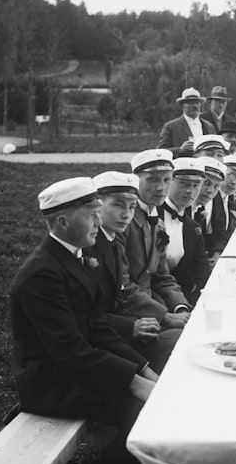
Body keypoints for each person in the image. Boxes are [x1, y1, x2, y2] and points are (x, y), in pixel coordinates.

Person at [10, 177, 156, 464]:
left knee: (153, 406)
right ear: (62, 222)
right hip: (52, 383)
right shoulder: (42, 273)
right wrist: (136, 383)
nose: (98, 220)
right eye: (91, 214)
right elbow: (69, 351)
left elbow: (97, 325)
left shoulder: (74, 256)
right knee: (148, 414)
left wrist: (145, 369)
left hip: (76, 371)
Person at [86, 171, 181, 373]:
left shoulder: (110, 240)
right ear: (97, 206)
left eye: (131, 206)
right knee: (179, 343)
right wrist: (131, 326)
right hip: (105, 339)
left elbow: (161, 277)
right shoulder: (91, 247)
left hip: (125, 323)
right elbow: (93, 311)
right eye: (118, 205)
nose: (126, 214)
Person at [121, 150, 193, 326]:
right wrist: (164, 316)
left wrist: (181, 307)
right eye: (152, 179)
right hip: (131, 317)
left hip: (154, 308)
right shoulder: (123, 223)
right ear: (135, 180)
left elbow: (162, 277)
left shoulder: (157, 223)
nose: (161, 188)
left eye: (167, 180)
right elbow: (123, 286)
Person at [159, 158, 213, 305]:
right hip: (154, 297)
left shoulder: (192, 226)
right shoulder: (153, 215)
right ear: (169, 182)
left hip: (181, 296)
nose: (190, 191)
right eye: (183, 184)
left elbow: (202, 268)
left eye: (196, 185)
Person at [192, 157, 233, 261]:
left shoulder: (215, 198)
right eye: (206, 183)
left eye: (216, 186)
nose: (210, 190)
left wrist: (217, 253)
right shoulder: (183, 208)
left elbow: (221, 231)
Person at [158, 88, 216, 157]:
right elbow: (160, 152)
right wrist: (179, 150)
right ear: (182, 106)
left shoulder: (209, 126)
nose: (194, 106)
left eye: (197, 102)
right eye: (190, 103)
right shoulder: (171, 127)